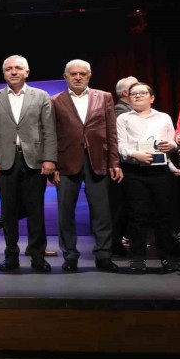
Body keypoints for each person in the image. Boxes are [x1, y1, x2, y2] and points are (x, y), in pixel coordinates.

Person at [0, 55, 57, 273]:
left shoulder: (41, 96)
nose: (13, 72)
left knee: (35, 211)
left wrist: (50, 158)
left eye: (18, 68)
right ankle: (11, 257)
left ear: (27, 72)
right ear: (3, 73)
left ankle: (37, 257)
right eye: (9, 69)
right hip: (5, 161)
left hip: (34, 161)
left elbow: (49, 130)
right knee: (8, 212)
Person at [51, 59, 122, 273]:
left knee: (102, 212)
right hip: (65, 162)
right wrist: (52, 164)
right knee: (65, 212)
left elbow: (111, 132)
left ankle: (103, 255)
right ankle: (70, 255)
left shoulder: (104, 97)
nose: (78, 77)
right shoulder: (55, 100)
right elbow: (50, 134)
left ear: (89, 76)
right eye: (73, 74)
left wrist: (114, 162)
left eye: (82, 74)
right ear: (65, 77)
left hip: (98, 160)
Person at [116, 82, 180, 273]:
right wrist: (134, 154)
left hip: (160, 171)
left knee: (164, 215)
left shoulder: (164, 117)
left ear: (152, 98)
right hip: (134, 171)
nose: (137, 96)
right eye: (133, 94)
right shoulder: (123, 118)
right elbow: (120, 144)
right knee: (137, 215)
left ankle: (168, 257)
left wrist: (171, 146)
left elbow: (172, 142)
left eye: (142, 93)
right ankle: (137, 257)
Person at [111, 75, 137, 256]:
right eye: (137, 88)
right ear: (127, 92)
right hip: (124, 164)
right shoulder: (120, 112)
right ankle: (116, 243)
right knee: (121, 206)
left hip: (128, 163)